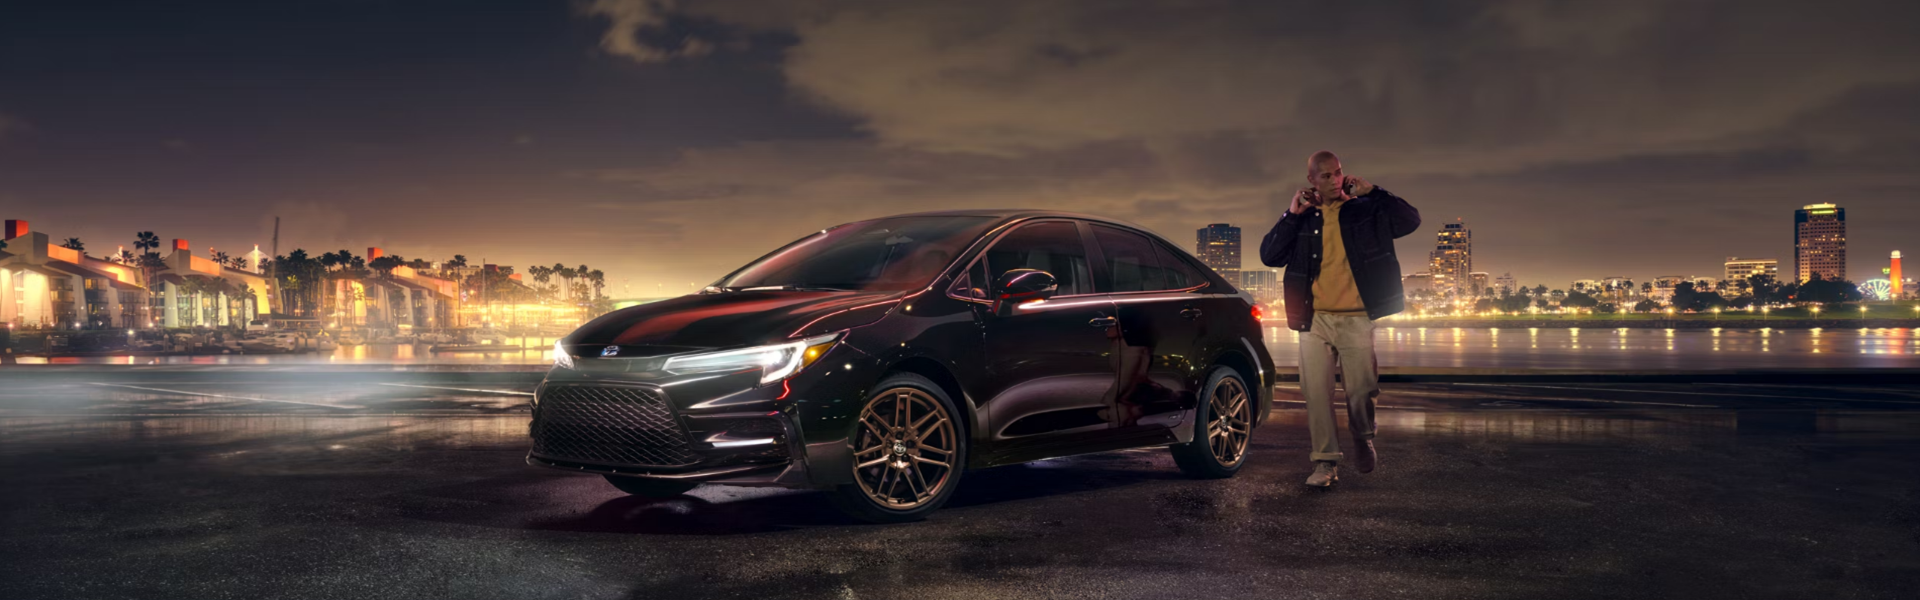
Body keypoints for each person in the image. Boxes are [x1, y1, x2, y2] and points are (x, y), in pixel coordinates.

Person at [1259, 151, 1421, 488]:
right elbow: (1270, 255)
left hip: (1357, 318)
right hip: (1314, 320)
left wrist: (1374, 191)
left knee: (1361, 392)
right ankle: (1325, 462)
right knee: (1316, 395)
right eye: (1326, 176)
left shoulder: (1365, 211)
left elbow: (1410, 220)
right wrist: (1291, 213)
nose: (1334, 180)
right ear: (1312, 181)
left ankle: (1363, 437)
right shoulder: (1304, 218)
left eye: (1338, 173)